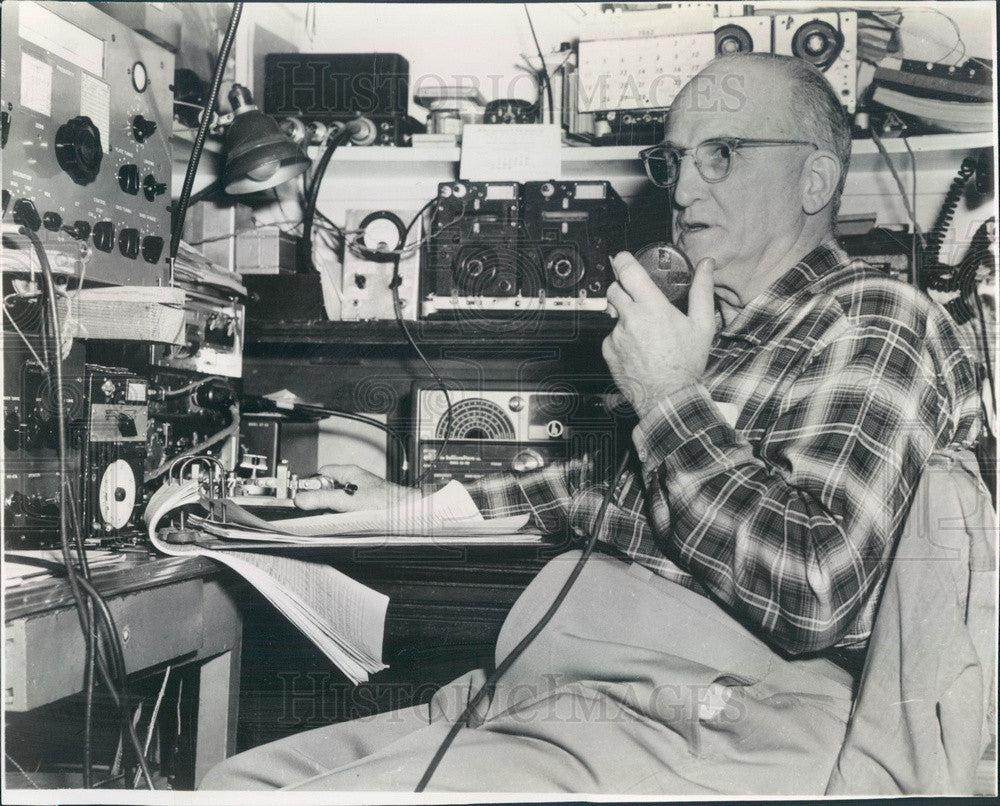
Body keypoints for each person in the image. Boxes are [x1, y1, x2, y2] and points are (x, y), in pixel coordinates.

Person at [202, 53, 981, 794]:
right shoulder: (712, 332)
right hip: (559, 693)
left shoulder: (875, 318)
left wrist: (671, 399)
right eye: (674, 161)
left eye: (724, 155)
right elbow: (587, 493)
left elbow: (816, 585)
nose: (681, 192)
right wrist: (405, 505)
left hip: (709, 719)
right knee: (234, 784)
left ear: (815, 179)